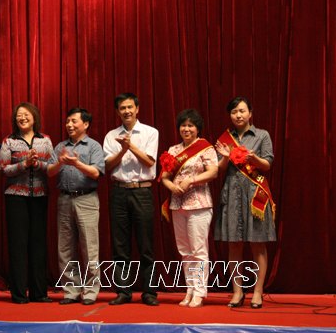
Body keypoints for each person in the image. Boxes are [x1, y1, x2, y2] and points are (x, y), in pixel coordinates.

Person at [214, 97, 276, 309]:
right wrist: (224, 157)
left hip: (254, 195)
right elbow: (220, 169)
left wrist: (254, 159)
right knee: (234, 244)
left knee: (258, 243)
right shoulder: (226, 139)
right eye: (234, 112)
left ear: (250, 113)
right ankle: (237, 291)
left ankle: (257, 292)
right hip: (232, 194)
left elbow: (267, 164)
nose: (238, 115)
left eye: (242, 111)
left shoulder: (262, 135)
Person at [103, 93, 159, 306]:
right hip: (119, 191)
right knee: (120, 245)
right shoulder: (111, 135)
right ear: (117, 112)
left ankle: (149, 292)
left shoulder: (150, 132)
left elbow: (149, 161)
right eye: (122, 108)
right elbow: (108, 166)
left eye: (129, 107)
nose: (126, 111)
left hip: (142, 191)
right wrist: (122, 150)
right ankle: (123, 291)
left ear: (137, 109)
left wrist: (131, 147)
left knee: (146, 244)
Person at [159, 109, 218, 308]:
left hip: (199, 203)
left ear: (197, 128)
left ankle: (200, 292)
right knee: (185, 251)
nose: (186, 129)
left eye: (190, 126)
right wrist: (171, 186)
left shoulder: (205, 148)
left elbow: (213, 172)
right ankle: (190, 289)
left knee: (198, 250)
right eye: (183, 125)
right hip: (178, 204)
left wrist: (191, 180)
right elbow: (164, 177)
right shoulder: (173, 149)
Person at [0, 102, 56, 304]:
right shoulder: (9, 141)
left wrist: (37, 163)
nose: (22, 118)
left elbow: (52, 167)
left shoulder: (45, 140)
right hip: (15, 197)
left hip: (40, 196)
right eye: (19, 116)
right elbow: (4, 169)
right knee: (18, 245)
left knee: (38, 245)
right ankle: (18, 293)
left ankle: (39, 292)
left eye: (26, 115)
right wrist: (24, 164)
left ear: (34, 117)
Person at [48, 108, 105, 306]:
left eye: (74, 121)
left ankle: (90, 291)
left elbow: (96, 173)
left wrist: (76, 163)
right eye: (67, 121)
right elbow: (50, 171)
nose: (69, 125)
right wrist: (60, 162)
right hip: (64, 199)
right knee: (65, 248)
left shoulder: (93, 146)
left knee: (89, 247)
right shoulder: (60, 146)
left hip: (86, 199)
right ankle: (71, 290)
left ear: (86, 124)